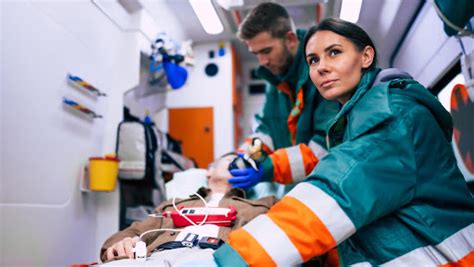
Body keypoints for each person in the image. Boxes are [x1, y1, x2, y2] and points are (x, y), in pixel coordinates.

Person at [213, 18, 474, 266]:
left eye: (334, 53)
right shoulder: (354, 111)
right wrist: (248, 155)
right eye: (313, 60)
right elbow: (267, 129)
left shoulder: (392, 115)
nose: (321, 67)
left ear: (366, 57)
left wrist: (231, 260)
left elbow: (336, 186)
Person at [228, 2, 339, 195]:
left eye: (266, 51)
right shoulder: (277, 79)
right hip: (297, 185)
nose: (262, 62)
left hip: (328, 188)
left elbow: (324, 147)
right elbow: (266, 130)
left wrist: (269, 168)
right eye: (256, 54)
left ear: (290, 40)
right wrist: (248, 155)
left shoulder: (323, 72)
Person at [100, 153, 277, 265]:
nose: (239, 164)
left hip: (218, 259)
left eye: (244, 163)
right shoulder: (174, 204)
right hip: (155, 257)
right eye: (231, 160)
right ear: (209, 171)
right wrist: (122, 244)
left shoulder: (264, 205)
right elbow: (131, 232)